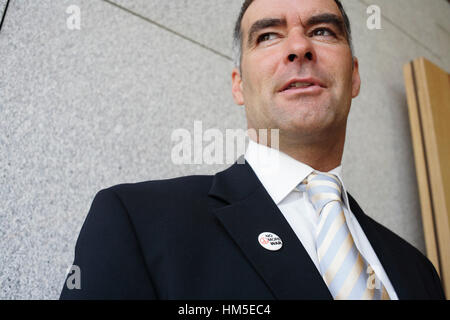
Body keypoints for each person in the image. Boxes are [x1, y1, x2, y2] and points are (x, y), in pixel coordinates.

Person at [60, 0, 446, 300]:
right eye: (268, 36)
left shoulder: (419, 272)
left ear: (355, 75)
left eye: (323, 30)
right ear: (239, 85)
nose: (299, 47)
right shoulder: (137, 223)